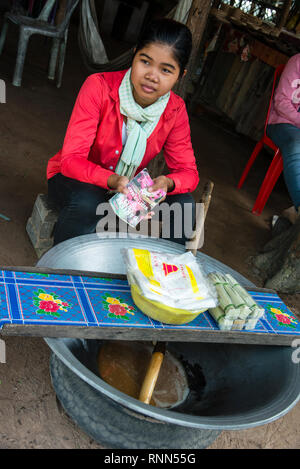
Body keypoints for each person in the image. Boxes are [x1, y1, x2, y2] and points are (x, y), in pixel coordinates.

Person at [47, 18, 199, 246]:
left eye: (166, 70)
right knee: (90, 200)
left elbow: (189, 173)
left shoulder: (175, 110)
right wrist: (112, 180)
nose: (152, 76)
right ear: (135, 55)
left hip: (126, 191)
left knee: (185, 206)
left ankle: (165, 273)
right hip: (75, 181)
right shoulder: (98, 86)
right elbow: (71, 161)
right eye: (145, 62)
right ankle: (62, 266)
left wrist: (167, 183)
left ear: (181, 75)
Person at [267, 53, 300, 226]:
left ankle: (292, 213)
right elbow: (280, 101)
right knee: (296, 145)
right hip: (282, 123)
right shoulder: (297, 62)